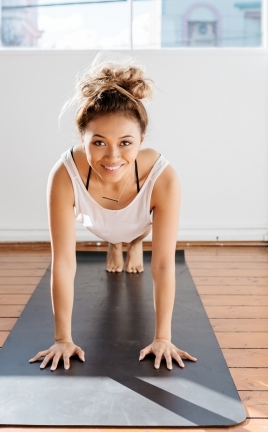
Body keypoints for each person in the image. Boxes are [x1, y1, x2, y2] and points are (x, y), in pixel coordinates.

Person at [29, 56, 196, 372]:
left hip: (138, 223)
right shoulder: (64, 174)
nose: (113, 156)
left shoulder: (164, 177)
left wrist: (163, 337)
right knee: (113, 233)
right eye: (99, 142)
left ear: (142, 141)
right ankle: (115, 243)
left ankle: (130, 243)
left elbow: (161, 264)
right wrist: (62, 338)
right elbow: (63, 262)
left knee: (134, 232)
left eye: (126, 143)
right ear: (83, 140)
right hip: (98, 223)